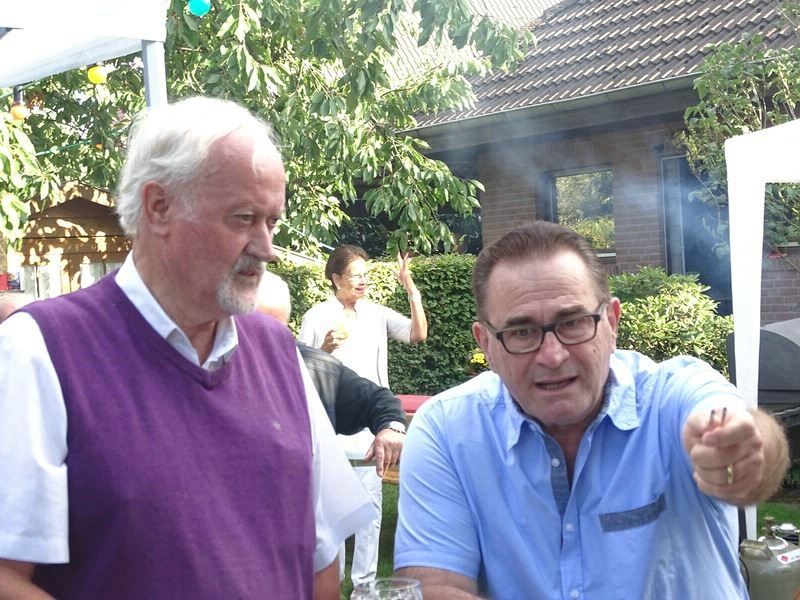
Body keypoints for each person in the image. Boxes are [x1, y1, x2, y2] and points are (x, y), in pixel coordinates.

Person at [0, 97, 375, 600]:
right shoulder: (40, 348)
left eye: (271, 222)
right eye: (243, 218)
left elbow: (320, 565)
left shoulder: (277, 351)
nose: (266, 248)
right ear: (159, 207)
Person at [394, 221, 789, 599]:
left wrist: (739, 450)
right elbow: (434, 586)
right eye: (521, 332)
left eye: (573, 322)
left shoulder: (670, 397)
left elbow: (747, 432)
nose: (552, 355)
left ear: (611, 323)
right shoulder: (448, 430)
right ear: (486, 345)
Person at [299, 244, 428, 586]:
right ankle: (334, 582)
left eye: (365, 276)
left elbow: (417, 334)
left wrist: (410, 288)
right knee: (332, 511)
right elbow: (301, 369)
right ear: (336, 278)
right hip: (332, 427)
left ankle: (365, 586)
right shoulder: (316, 316)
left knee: (370, 510)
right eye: (355, 275)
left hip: (373, 426)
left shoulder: (376, 313)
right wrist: (325, 349)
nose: (363, 281)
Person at [257, 271, 407, 477]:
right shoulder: (216, 368)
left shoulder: (315, 366)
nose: (266, 337)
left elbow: (378, 399)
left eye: (277, 328)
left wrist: (392, 428)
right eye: (255, 326)